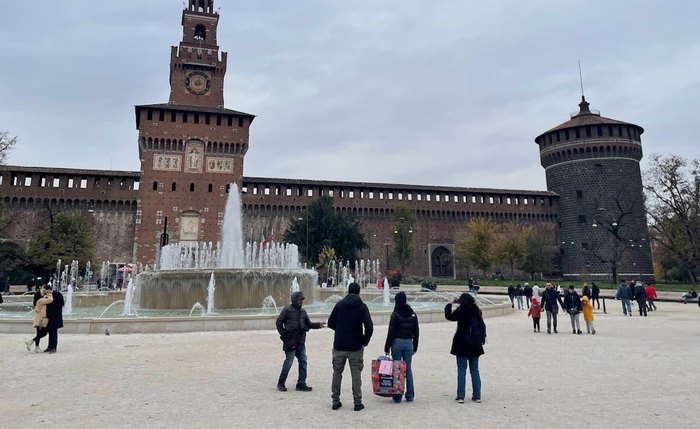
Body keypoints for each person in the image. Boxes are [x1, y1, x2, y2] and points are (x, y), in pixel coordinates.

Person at [327, 282, 373, 411]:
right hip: (355, 346)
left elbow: (330, 323)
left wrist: (340, 330)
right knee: (356, 374)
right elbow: (369, 327)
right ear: (359, 292)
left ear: (348, 291)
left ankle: (335, 401)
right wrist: (364, 340)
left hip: (339, 345)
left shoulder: (340, 305)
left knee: (337, 373)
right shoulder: (362, 306)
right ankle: (357, 402)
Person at [275, 291, 325, 392]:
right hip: (291, 341)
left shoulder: (303, 312)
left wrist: (318, 325)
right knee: (289, 362)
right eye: (299, 299)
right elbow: (279, 322)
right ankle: (281, 383)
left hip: (300, 341)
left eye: (302, 299)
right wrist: (283, 334)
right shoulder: (287, 310)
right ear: (294, 300)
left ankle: (301, 383)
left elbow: (309, 324)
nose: (301, 301)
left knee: (303, 361)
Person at [444, 293, 484, 404]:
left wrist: (449, 304)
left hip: (462, 342)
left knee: (461, 370)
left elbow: (449, 316)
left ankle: (461, 396)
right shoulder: (476, 311)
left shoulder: (461, 310)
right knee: (475, 370)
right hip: (474, 343)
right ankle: (477, 395)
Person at [384, 291, 419, 403]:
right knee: (408, 369)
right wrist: (415, 346)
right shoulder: (413, 314)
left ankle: (398, 395)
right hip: (409, 342)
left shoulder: (395, 314)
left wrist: (387, 347)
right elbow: (416, 332)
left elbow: (391, 331)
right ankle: (410, 395)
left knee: (397, 369)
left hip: (397, 342)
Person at [25, 287, 53, 352]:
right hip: (40, 319)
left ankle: (36, 347)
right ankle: (31, 342)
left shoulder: (40, 300)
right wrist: (49, 294)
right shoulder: (40, 301)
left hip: (39, 318)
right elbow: (50, 300)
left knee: (40, 333)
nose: (44, 294)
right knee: (43, 333)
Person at [43, 284, 64, 353]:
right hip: (49, 316)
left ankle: (53, 347)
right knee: (50, 331)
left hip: (56, 316)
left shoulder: (57, 294)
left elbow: (62, 303)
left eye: (45, 291)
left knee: (54, 332)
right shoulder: (46, 296)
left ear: (48, 289)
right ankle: (49, 346)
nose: (44, 292)